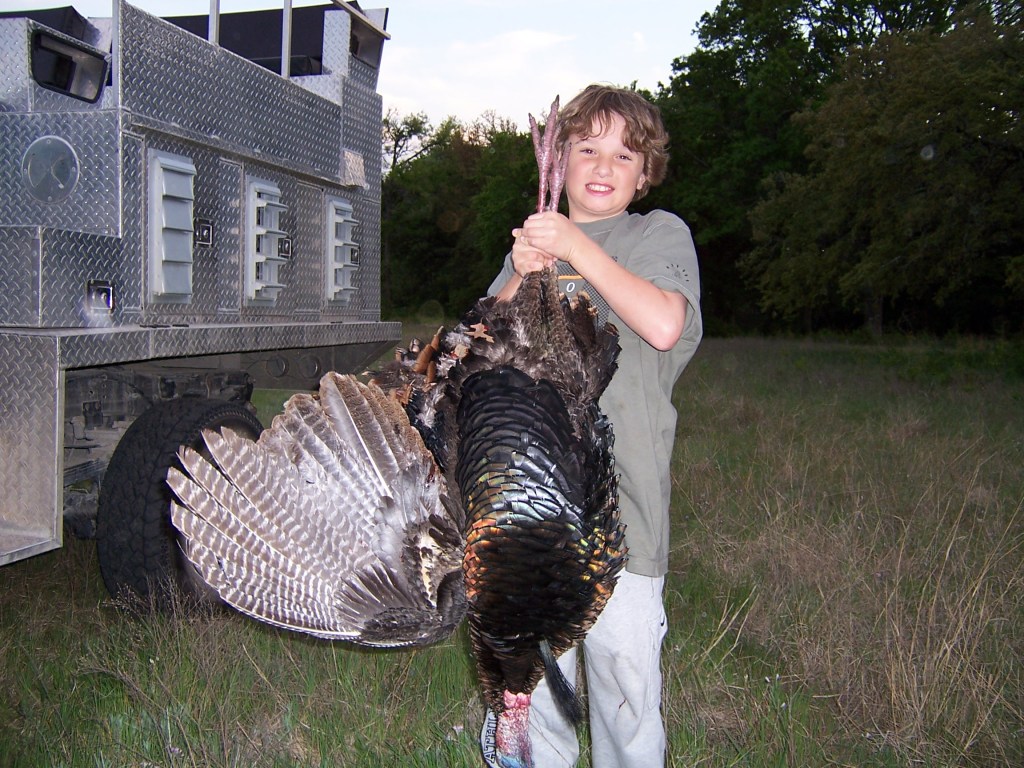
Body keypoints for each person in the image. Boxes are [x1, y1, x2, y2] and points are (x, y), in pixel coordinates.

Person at [485, 84, 703, 767]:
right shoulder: (531, 249)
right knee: (534, 694)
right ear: (559, 158)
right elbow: (475, 352)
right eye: (587, 148)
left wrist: (576, 246)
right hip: (531, 524)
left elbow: (665, 324)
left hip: (625, 523)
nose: (604, 165)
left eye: (624, 154)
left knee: (623, 695)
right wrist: (519, 276)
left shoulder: (655, 234)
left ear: (646, 174)